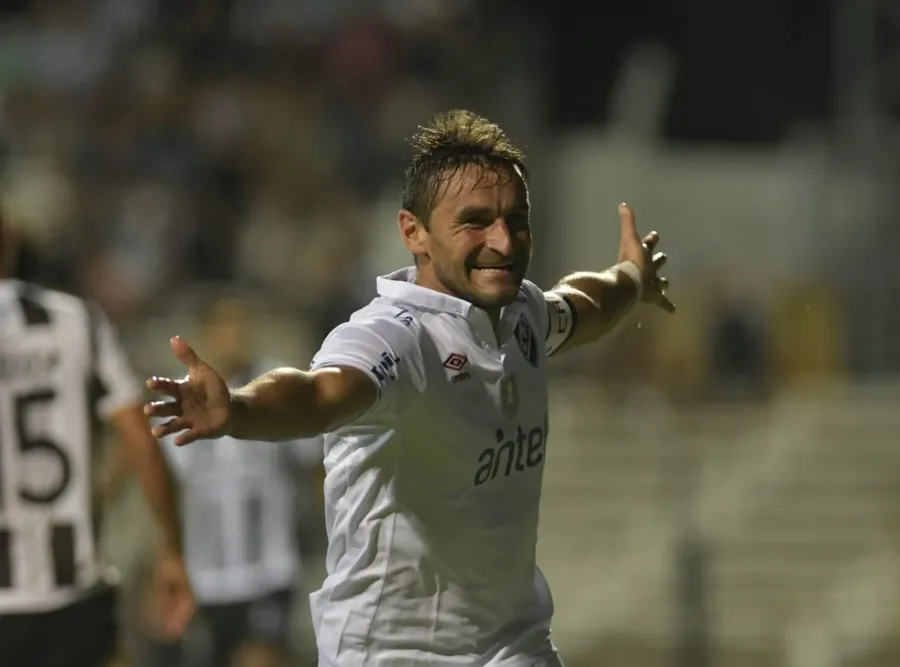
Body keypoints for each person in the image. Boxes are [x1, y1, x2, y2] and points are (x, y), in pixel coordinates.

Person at [146, 109, 674, 666]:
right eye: (474, 222)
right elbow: (319, 393)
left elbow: (586, 306)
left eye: (516, 220)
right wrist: (240, 409)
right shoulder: (395, 336)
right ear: (412, 231)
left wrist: (632, 277)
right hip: (393, 650)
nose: (503, 241)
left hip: (511, 643)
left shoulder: (523, 315)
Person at [0, 203, 196, 665]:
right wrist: (172, 551)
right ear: (10, 239)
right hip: (74, 593)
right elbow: (140, 438)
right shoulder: (76, 321)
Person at [144, 295, 322, 667]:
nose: (236, 336)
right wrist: (167, 557)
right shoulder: (180, 400)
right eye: (225, 327)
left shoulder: (276, 388)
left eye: (241, 326)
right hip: (207, 574)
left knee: (261, 659)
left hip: (269, 567)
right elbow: (171, 489)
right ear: (205, 334)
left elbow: (314, 467)